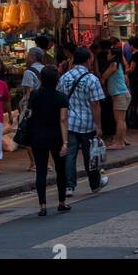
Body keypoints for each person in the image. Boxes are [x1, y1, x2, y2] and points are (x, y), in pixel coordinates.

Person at [57, 46, 108, 197]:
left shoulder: (64, 77)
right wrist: (98, 126)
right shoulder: (91, 79)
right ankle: (94, 184)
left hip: (69, 123)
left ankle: (69, 186)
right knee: (90, 155)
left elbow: (60, 101)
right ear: (88, 60)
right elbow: (95, 104)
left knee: (70, 155)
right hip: (88, 123)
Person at [27, 67, 70, 216]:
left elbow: (30, 114)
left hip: (38, 136)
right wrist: (65, 142)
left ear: (41, 79)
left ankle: (42, 206)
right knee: (60, 170)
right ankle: (61, 202)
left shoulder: (34, 95)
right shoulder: (62, 97)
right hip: (56, 137)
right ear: (57, 80)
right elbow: (63, 119)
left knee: (41, 171)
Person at [100, 43, 130, 150]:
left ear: (113, 55)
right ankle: (121, 141)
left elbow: (104, 75)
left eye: (109, 53)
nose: (107, 55)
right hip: (122, 94)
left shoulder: (114, 65)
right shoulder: (119, 64)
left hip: (120, 94)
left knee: (119, 120)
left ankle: (118, 143)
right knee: (121, 120)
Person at [126, 37, 138, 128]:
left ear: (132, 46)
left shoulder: (135, 55)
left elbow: (132, 68)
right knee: (136, 101)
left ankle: (134, 120)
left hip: (134, 81)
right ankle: (136, 120)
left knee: (133, 101)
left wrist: (124, 72)